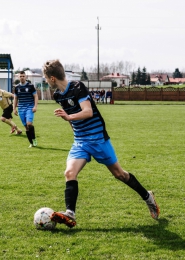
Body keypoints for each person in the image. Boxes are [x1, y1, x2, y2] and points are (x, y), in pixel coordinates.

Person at [42, 59, 160, 228]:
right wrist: (73, 128)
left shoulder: (77, 87)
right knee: (69, 173)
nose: (46, 82)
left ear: (52, 78)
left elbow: (88, 112)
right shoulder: (58, 95)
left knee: (120, 174)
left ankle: (148, 197)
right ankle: (70, 214)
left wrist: (69, 117)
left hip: (98, 138)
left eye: (46, 79)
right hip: (80, 141)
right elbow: (70, 117)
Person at [13, 71, 38, 148]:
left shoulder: (31, 86)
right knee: (26, 127)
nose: (22, 77)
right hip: (21, 109)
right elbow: (15, 98)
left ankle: (34, 139)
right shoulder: (17, 87)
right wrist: (14, 108)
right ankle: (31, 143)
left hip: (29, 107)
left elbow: (36, 96)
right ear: (18, 77)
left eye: (23, 76)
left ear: (26, 77)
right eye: (20, 76)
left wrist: (35, 106)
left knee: (29, 124)